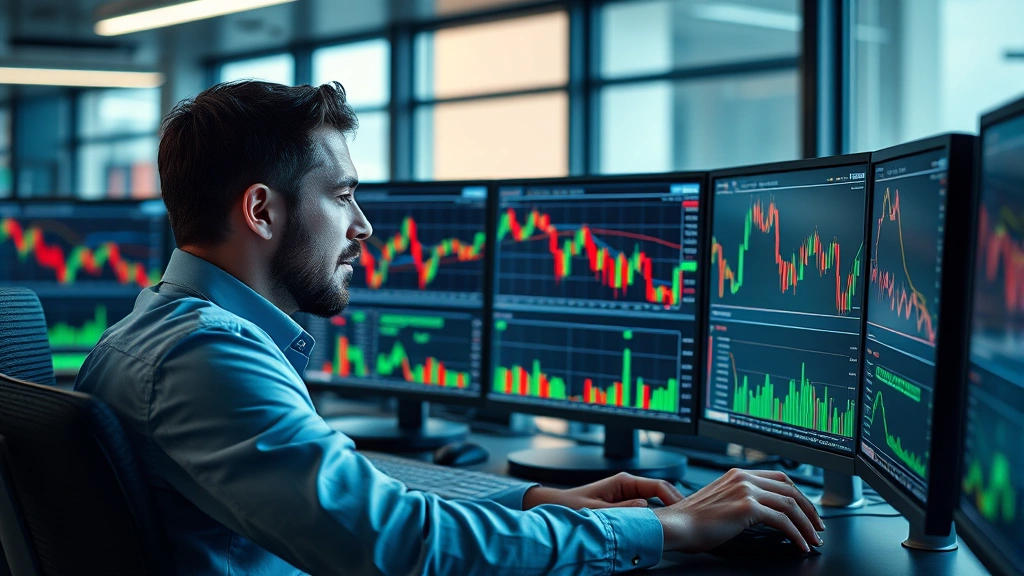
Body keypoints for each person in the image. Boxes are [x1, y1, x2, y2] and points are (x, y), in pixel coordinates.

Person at [75, 80, 824, 575]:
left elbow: (358, 500)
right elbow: (402, 545)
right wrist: (672, 531)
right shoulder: (207, 359)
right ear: (262, 211)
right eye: (342, 196)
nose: (364, 226)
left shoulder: (157, 333)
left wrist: (534, 501)